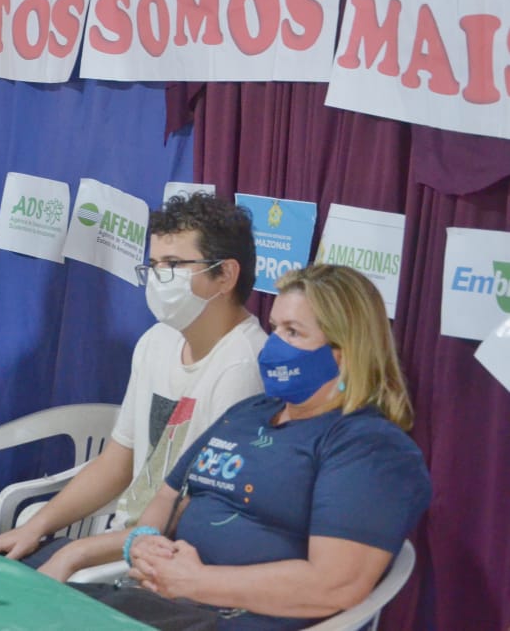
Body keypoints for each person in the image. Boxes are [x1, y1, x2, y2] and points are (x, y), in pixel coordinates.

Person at [105, 264, 431, 630]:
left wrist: (196, 582)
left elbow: (335, 585)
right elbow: (168, 495)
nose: (274, 344)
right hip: (158, 600)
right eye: (275, 327)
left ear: (346, 352)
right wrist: (146, 540)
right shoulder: (249, 412)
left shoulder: (370, 448)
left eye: (293, 332)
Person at [0, 192, 265, 580]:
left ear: (226, 275)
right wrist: (35, 528)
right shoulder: (158, 340)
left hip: (175, 559)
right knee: (3, 565)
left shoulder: (244, 364)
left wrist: (80, 552)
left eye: (174, 264)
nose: (158, 278)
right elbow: (118, 462)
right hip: (126, 537)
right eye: (153, 264)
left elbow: (201, 511)